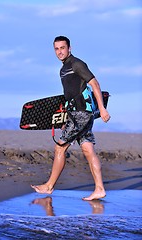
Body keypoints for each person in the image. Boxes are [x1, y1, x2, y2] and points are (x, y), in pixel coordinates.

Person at [31, 36, 111, 200]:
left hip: (81, 113)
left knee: (60, 147)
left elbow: (94, 84)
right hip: (77, 113)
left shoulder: (76, 64)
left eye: (62, 48)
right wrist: (65, 119)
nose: (59, 51)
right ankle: (99, 189)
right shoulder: (64, 68)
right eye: (56, 49)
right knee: (88, 149)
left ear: (69, 48)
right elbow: (71, 96)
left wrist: (102, 109)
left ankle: (49, 186)